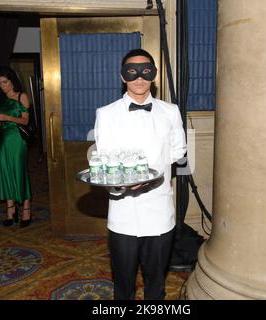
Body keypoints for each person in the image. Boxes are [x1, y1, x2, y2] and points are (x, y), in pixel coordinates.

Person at [94, 49, 187, 300]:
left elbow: (178, 151)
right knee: (123, 282)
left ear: (153, 76)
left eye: (145, 71)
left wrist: (154, 173)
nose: (138, 77)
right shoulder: (106, 113)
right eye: (131, 72)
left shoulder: (171, 112)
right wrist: (123, 183)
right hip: (123, 212)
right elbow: (104, 160)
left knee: (155, 282)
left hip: (159, 209)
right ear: (122, 77)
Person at [0, 66, 32, 228]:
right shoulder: (0, 100)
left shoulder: (22, 96)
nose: (3, 86)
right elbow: (0, 125)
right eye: (0, 83)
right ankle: (10, 210)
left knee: (19, 171)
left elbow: (25, 121)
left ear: (12, 81)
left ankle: (26, 210)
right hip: (5, 140)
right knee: (5, 171)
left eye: (5, 82)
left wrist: (6, 117)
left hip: (18, 139)